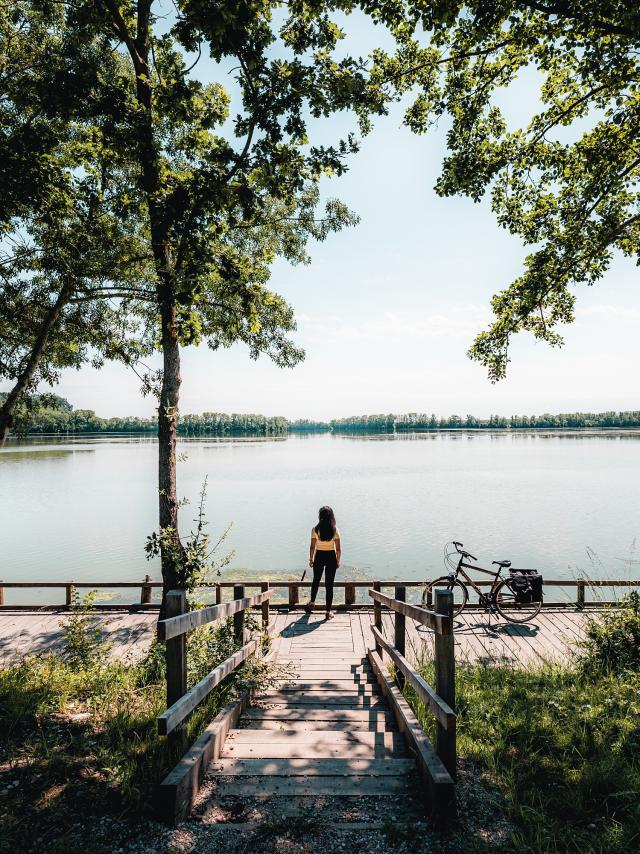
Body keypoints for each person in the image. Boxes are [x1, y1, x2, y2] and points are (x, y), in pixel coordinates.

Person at [305, 506, 341, 619]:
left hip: (319, 555)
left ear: (320, 516)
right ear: (331, 516)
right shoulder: (335, 529)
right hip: (331, 556)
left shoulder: (315, 529)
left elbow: (312, 547)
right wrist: (338, 561)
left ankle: (311, 604)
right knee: (329, 585)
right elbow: (338, 549)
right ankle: (327, 612)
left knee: (316, 580)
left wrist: (311, 559)